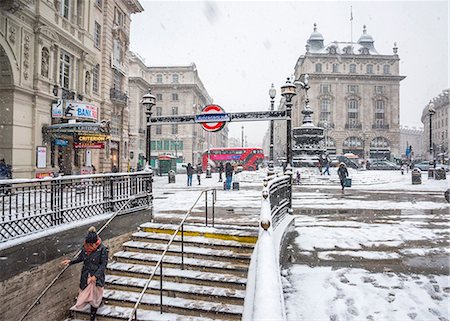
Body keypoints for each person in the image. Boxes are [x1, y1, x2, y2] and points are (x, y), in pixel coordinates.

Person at [61, 226, 109, 321]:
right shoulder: (86, 248)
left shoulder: (103, 249)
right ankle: (92, 309)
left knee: (95, 298)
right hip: (86, 276)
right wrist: (70, 262)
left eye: (92, 245)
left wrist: (96, 276)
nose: (90, 247)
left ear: (96, 243)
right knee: (84, 296)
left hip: (96, 278)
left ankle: (93, 317)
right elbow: (80, 257)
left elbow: (103, 265)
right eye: (88, 245)